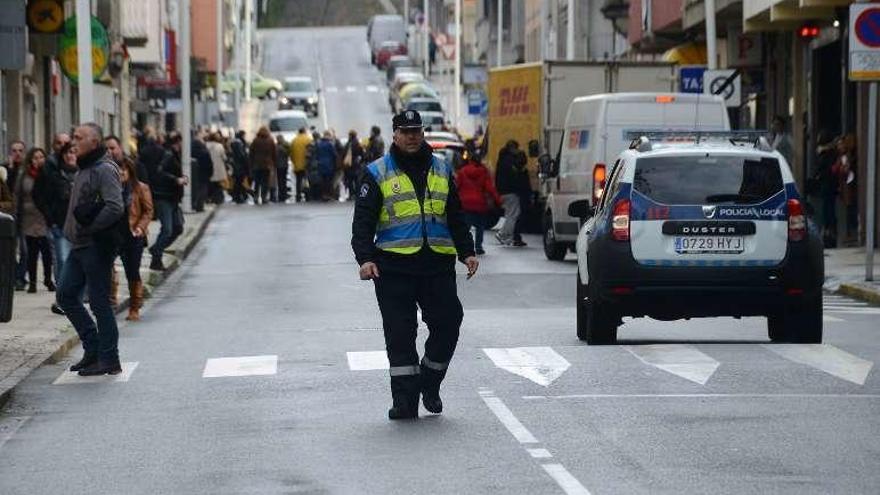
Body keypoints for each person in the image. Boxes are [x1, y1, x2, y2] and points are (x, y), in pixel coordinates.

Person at [351, 110, 478, 420]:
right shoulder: (377, 172)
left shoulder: (443, 169)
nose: (411, 137)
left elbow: (456, 216)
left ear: (423, 133)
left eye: (416, 131)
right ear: (394, 134)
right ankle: (405, 402)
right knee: (400, 334)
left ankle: (430, 382)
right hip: (393, 268)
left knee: (449, 322)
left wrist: (467, 251)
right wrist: (365, 258)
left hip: (436, 264)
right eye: (405, 131)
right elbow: (363, 222)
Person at [57, 122, 125, 376]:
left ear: (94, 142)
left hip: (96, 246)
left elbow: (115, 206)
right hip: (79, 245)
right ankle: (93, 348)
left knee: (99, 303)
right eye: (73, 136)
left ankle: (109, 359)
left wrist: (91, 228)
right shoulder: (84, 168)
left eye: (79, 137)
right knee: (65, 295)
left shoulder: (104, 169)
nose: (74, 141)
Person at [34, 141, 78, 315]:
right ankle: (62, 299)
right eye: (67, 152)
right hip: (60, 224)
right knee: (63, 261)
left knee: (81, 262)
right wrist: (50, 217)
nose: (71, 155)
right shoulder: (52, 172)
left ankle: (77, 296)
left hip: (82, 227)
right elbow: (38, 195)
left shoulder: (85, 172)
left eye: (74, 152)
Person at [114, 157, 153, 321]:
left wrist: (140, 227)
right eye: (118, 170)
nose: (121, 173)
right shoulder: (111, 188)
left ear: (130, 171)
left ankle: (134, 306)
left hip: (133, 235)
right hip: (114, 235)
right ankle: (111, 302)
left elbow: (148, 211)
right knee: (108, 268)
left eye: (124, 169)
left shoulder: (140, 188)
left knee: (132, 271)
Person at [15, 148, 54, 293]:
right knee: (31, 252)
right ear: (30, 160)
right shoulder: (24, 175)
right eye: (35, 157)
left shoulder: (48, 175)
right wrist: (16, 214)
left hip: (43, 216)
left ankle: (48, 279)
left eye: (41, 157)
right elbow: (18, 195)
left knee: (46, 251)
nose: (38, 160)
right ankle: (32, 282)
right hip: (28, 217)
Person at [149, 132, 188, 271]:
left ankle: (156, 249)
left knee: (178, 227)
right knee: (167, 229)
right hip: (164, 197)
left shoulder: (174, 154)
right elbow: (159, 172)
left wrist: (181, 177)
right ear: (177, 142)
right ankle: (156, 258)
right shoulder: (168, 154)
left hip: (172, 197)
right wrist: (176, 179)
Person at [456, 150, 502, 255]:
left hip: (465, 204)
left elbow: (456, 187)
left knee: (465, 227)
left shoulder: (462, 172)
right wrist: (498, 200)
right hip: (480, 204)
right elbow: (490, 188)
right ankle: (478, 247)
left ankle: (464, 246)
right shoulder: (483, 172)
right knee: (480, 227)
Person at [495, 140, 530, 247]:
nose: (517, 150)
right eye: (516, 148)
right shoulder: (509, 162)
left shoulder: (502, 159)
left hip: (503, 191)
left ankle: (507, 236)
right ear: (512, 148)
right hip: (510, 191)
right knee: (513, 214)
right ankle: (503, 234)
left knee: (511, 214)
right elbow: (513, 177)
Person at [4, 140, 29, 290]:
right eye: (14, 150)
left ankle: (21, 276)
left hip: (25, 217)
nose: (17, 154)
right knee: (10, 250)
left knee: (25, 250)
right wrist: (11, 169)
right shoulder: (4, 169)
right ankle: (13, 277)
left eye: (20, 150)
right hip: (9, 215)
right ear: (10, 153)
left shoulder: (27, 170)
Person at [813, 130, 838, 248]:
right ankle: (828, 234)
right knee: (827, 210)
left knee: (828, 211)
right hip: (827, 185)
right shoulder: (827, 152)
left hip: (828, 184)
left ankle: (829, 234)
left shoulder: (828, 153)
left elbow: (823, 168)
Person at [249, 126, 276, 205]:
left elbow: (251, 153)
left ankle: (256, 196)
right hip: (267, 165)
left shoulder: (255, 140)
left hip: (257, 165)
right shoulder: (270, 140)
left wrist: (251, 164)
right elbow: (274, 153)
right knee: (265, 182)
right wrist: (274, 164)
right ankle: (264, 197)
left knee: (257, 182)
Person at [191, 133, 213, 212]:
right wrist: (210, 173)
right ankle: (200, 206)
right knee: (202, 190)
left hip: (193, 174)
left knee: (194, 189)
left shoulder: (190, 152)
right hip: (204, 174)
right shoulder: (205, 152)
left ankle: (193, 204)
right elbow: (210, 164)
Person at [342, 130, 365, 201]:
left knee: (350, 181)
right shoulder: (358, 143)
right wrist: (361, 161)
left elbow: (344, 153)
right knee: (357, 181)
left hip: (349, 165)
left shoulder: (348, 144)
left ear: (350, 135)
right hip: (356, 165)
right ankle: (357, 195)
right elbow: (362, 154)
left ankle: (351, 195)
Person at [290, 127, 312, 202]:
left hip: (297, 164)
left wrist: (294, 162)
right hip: (307, 164)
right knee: (307, 180)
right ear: (305, 131)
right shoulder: (308, 139)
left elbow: (291, 153)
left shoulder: (294, 140)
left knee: (298, 181)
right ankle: (307, 195)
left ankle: (298, 195)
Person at [206, 132, 228, 204]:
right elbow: (224, 158)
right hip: (218, 168)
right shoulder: (219, 146)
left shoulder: (205, 145)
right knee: (218, 184)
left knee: (209, 184)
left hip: (208, 167)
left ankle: (209, 198)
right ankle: (217, 198)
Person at [316, 131, 338, 201]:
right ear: (328, 136)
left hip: (320, 164)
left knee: (322, 181)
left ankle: (323, 195)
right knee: (329, 181)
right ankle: (329, 195)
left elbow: (317, 154)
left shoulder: (319, 144)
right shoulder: (330, 144)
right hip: (329, 164)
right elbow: (334, 154)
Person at [230, 130, 250, 204]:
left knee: (238, 181)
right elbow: (242, 155)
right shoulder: (239, 143)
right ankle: (238, 197)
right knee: (239, 181)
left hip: (237, 165)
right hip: (240, 166)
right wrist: (246, 162)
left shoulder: (235, 142)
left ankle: (239, 196)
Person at [275, 134, 291, 202]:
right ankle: (282, 194)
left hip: (280, 165)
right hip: (283, 165)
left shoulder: (277, 146)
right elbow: (288, 153)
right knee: (282, 180)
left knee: (280, 180)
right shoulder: (283, 146)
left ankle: (281, 194)